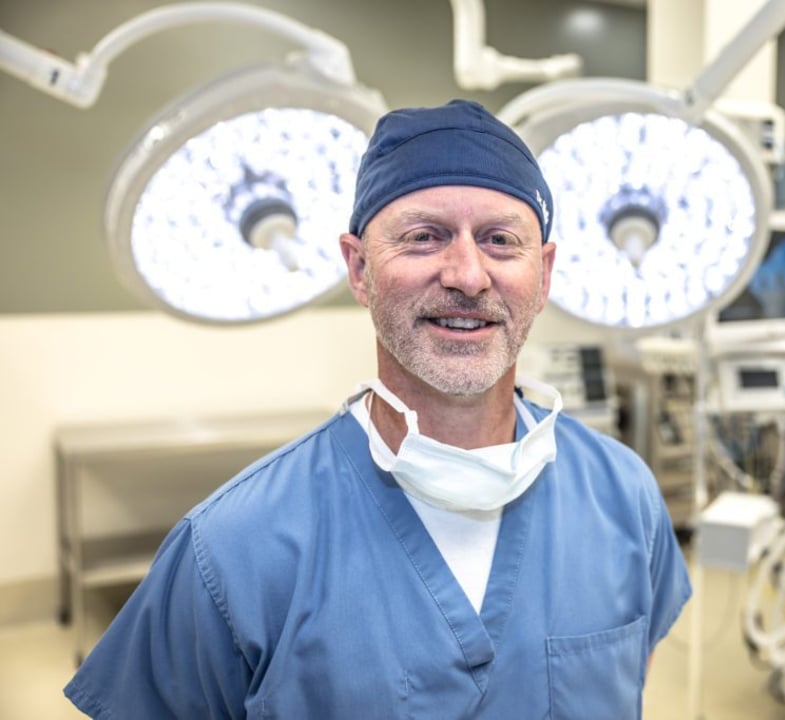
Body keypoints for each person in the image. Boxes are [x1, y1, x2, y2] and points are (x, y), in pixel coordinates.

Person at [64, 99, 691, 719]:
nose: (468, 275)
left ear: (544, 275)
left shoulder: (624, 495)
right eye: (424, 237)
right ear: (360, 269)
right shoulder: (231, 549)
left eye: (501, 241)